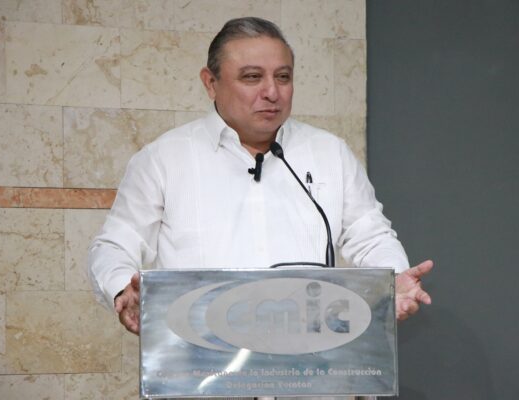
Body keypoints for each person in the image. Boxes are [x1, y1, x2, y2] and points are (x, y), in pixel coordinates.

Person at [88, 17, 433, 335]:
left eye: (283, 77)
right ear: (210, 83)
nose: (272, 92)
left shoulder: (330, 153)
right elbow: (115, 245)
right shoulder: (164, 159)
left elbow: (370, 236)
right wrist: (122, 289)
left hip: (309, 362)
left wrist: (393, 280)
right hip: (202, 361)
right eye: (252, 77)